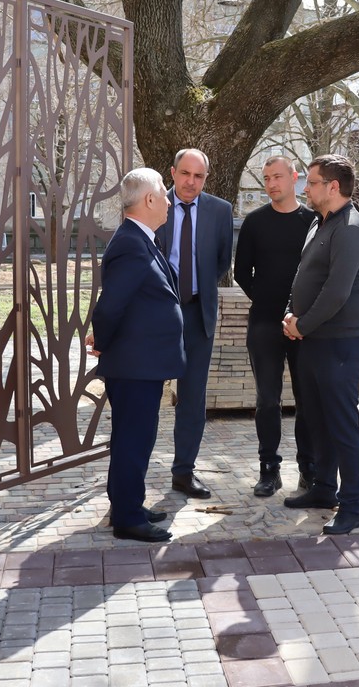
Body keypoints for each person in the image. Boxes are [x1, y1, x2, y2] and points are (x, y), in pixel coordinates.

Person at [90, 168, 185, 543]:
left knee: (135, 439)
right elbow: (110, 305)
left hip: (142, 363)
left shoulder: (140, 239)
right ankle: (128, 517)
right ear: (149, 199)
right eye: (164, 193)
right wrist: (102, 340)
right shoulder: (131, 243)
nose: (169, 201)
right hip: (134, 365)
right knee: (133, 440)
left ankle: (128, 504)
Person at [281, 155, 359, 535]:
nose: (305, 189)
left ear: (333, 186)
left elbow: (336, 292)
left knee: (341, 424)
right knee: (315, 420)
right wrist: (291, 314)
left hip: (340, 345)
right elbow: (303, 276)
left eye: (312, 182)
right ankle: (323, 488)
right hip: (313, 341)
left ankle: (351, 507)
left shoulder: (351, 229)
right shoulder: (320, 223)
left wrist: (301, 325)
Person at [234, 156, 317, 497]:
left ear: (295, 178)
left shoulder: (313, 221)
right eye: (266, 178)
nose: (271, 184)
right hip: (265, 323)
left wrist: (301, 313)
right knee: (267, 400)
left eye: (277, 177)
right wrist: (266, 299)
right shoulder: (254, 222)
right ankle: (269, 469)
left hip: (304, 324)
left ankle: (308, 469)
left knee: (306, 399)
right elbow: (242, 272)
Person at [157, 148, 234, 499]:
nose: (191, 182)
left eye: (198, 176)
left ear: (206, 178)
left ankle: (184, 473)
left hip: (197, 314)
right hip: (158, 314)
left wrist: (194, 289)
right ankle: (131, 478)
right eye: (185, 173)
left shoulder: (220, 211)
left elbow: (221, 262)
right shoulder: (154, 204)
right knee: (146, 396)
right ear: (172, 173)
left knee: (192, 398)